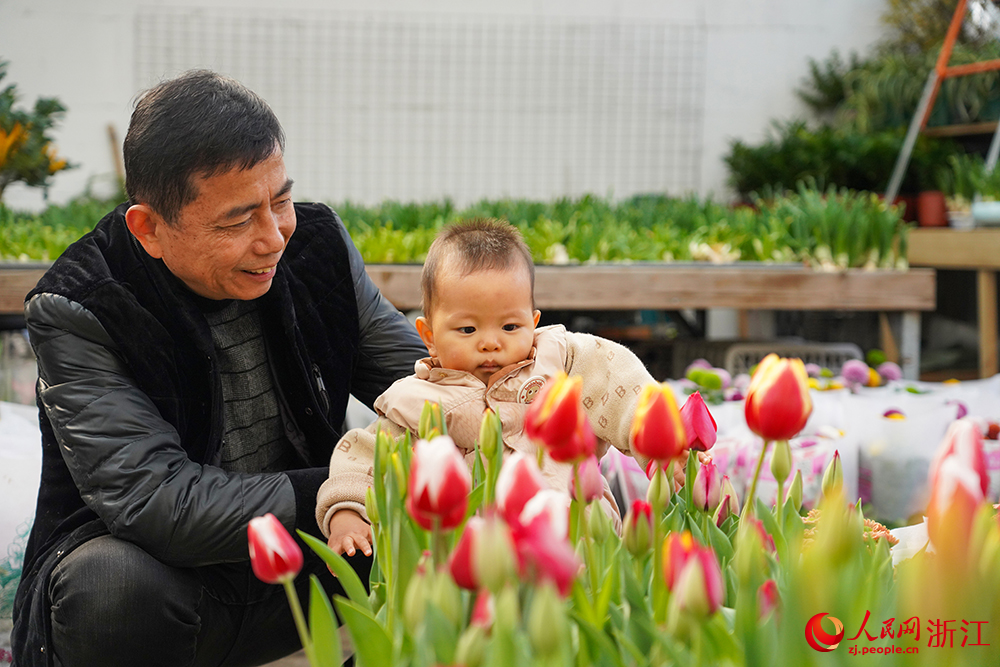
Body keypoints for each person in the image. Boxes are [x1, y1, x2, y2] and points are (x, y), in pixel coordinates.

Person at [11, 70, 427, 667]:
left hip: (312, 561)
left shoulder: (317, 246)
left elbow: (425, 385)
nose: (274, 238)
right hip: (175, 587)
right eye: (237, 220)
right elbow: (157, 502)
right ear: (148, 228)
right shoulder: (83, 304)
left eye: (279, 200)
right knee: (107, 584)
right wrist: (346, 489)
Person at [317, 218, 667, 558]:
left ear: (533, 323)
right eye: (468, 330)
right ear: (429, 337)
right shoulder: (413, 402)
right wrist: (347, 515)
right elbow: (361, 458)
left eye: (511, 326)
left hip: (574, 545)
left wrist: (664, 444)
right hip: (472, 560)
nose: (490, 343)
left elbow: (616, 379)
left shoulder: (557, 360)